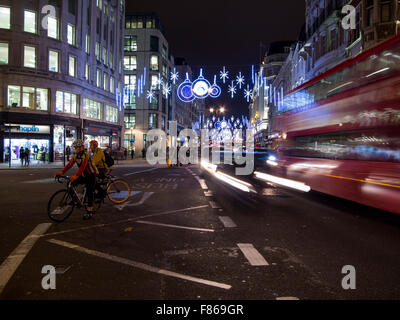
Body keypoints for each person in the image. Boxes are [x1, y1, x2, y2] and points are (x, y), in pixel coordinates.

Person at [54, 139, 98, 220]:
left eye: (77, 147)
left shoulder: (86, 155)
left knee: (89, 192)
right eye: (75, 147)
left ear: (81, 147)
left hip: (91, 175)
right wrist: (61, 172)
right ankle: (75, 199)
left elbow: (83, 166)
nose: (75, 149)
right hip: (83, 175)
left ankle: (89, 212)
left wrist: (76, 175)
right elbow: (70, 164)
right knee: (70, 184)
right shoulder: (75, 155)